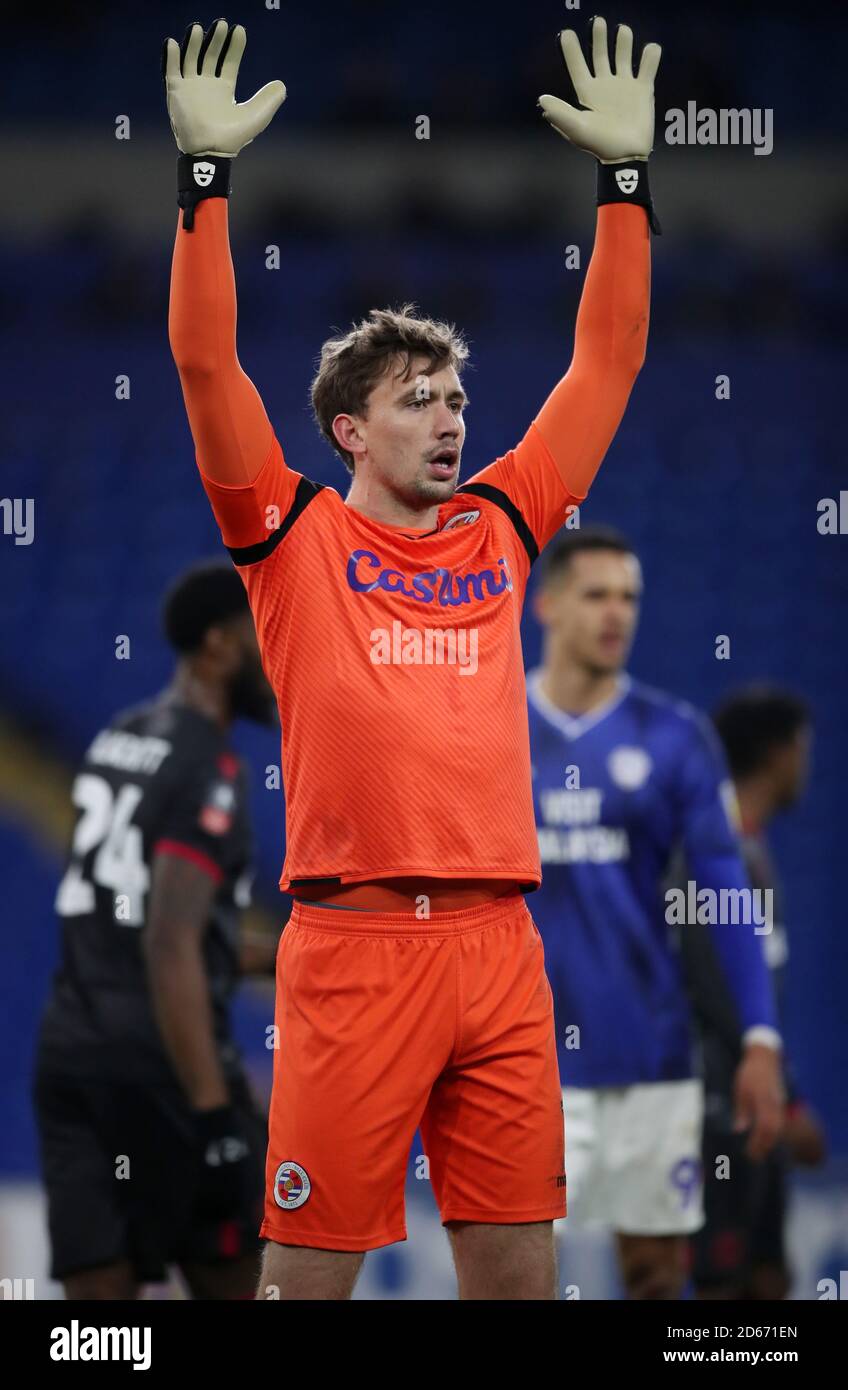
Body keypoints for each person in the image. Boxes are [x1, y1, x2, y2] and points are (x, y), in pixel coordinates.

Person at [165, 14, 663, 1300]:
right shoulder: (286, 533)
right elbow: (203, 358)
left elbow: (605, 358)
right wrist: (206, 184)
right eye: (418, 401)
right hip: (351, 946)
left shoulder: (502, 523)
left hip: (498, 948)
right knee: (306, 1287)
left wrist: (622, 183)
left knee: (515, 1283)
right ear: (347, 427)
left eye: (456, 397)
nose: (451, 418)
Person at [527, 527, 784, 1300]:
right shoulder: (486, 725)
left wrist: (760, 1036)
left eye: (630, 597)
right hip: (519, 1057)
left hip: (649, 1051)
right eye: (597, 594)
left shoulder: (677, 737)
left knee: (653, 1275)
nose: (617, 614)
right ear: (548, 605)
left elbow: (723, 892)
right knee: (519, 1276)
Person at [33, 561, 278, 1300]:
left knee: (100, 1328)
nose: (280, 654)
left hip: (73, 1059)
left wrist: (303, 956)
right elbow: (169, 941)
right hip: (166, 1069)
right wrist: (213, 1117)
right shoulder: (208, 766)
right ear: (217, 646)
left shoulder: (122, 737)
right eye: (263, 633)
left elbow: (149, 925)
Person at [683, 686, 826, 1300]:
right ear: (776, 753)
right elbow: (715, 988)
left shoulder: (749, 845)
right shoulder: (717, 854)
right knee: (723, 1283)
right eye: (802, 747)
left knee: (769, 1278)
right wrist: (784, 1100)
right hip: (723, 1101)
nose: (807, 763)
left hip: (753, 1093)